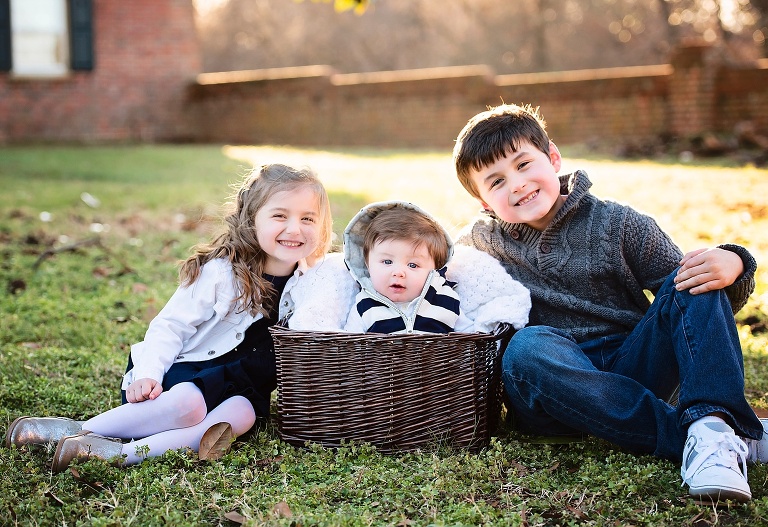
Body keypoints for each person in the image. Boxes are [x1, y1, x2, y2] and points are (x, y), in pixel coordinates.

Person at [451, 103, 768, 503]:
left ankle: (713, 428)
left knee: (692, 274)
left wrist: (736, 261)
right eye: (495, 182)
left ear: (553, 158)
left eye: (524, 164)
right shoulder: (477, 245)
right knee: (527, 347)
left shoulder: (618, 223)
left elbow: (690, 299)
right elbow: (429, 282)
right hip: (551, 392)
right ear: (483, 202)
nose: (516, 184)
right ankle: (696, 437)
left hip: (635, 366)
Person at [6, 163, 333, 472]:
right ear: (251, 219)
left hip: (242, 388)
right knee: (190, 403)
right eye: (280, 215)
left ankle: (117, 454)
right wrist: (149, 373)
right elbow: (169, 326)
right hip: (180, 374)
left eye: (308, 218)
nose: (295, 229)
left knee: (238, 420)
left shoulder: (313, 284)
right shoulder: (221, 273)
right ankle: (79, 429)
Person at [342, 201, 465, 334]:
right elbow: (349, 346)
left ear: (435, 270)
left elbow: (470, 338)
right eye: (387, 262)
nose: (399, 273)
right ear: (367, 263)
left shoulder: (446, 299)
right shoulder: (364, 305)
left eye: (413, 265)